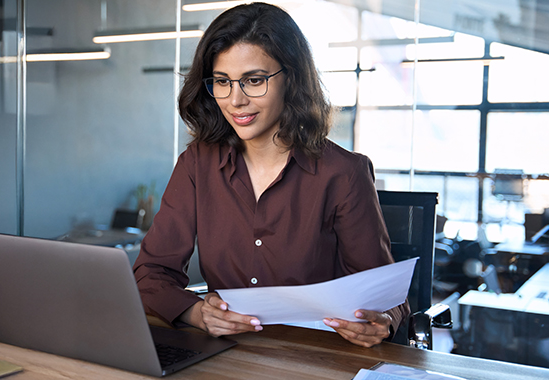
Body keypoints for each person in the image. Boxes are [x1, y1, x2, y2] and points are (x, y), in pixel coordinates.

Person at [132, 2, 409, 348]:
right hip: (227, 357)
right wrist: (196, 313)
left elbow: (388, 298)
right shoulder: (196, 165)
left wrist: (381, 321)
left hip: (318, 358)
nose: (235, 100)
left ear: (290, 78)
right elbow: (151, 273)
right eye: (222, 82)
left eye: (253, 80)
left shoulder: (343, 174)